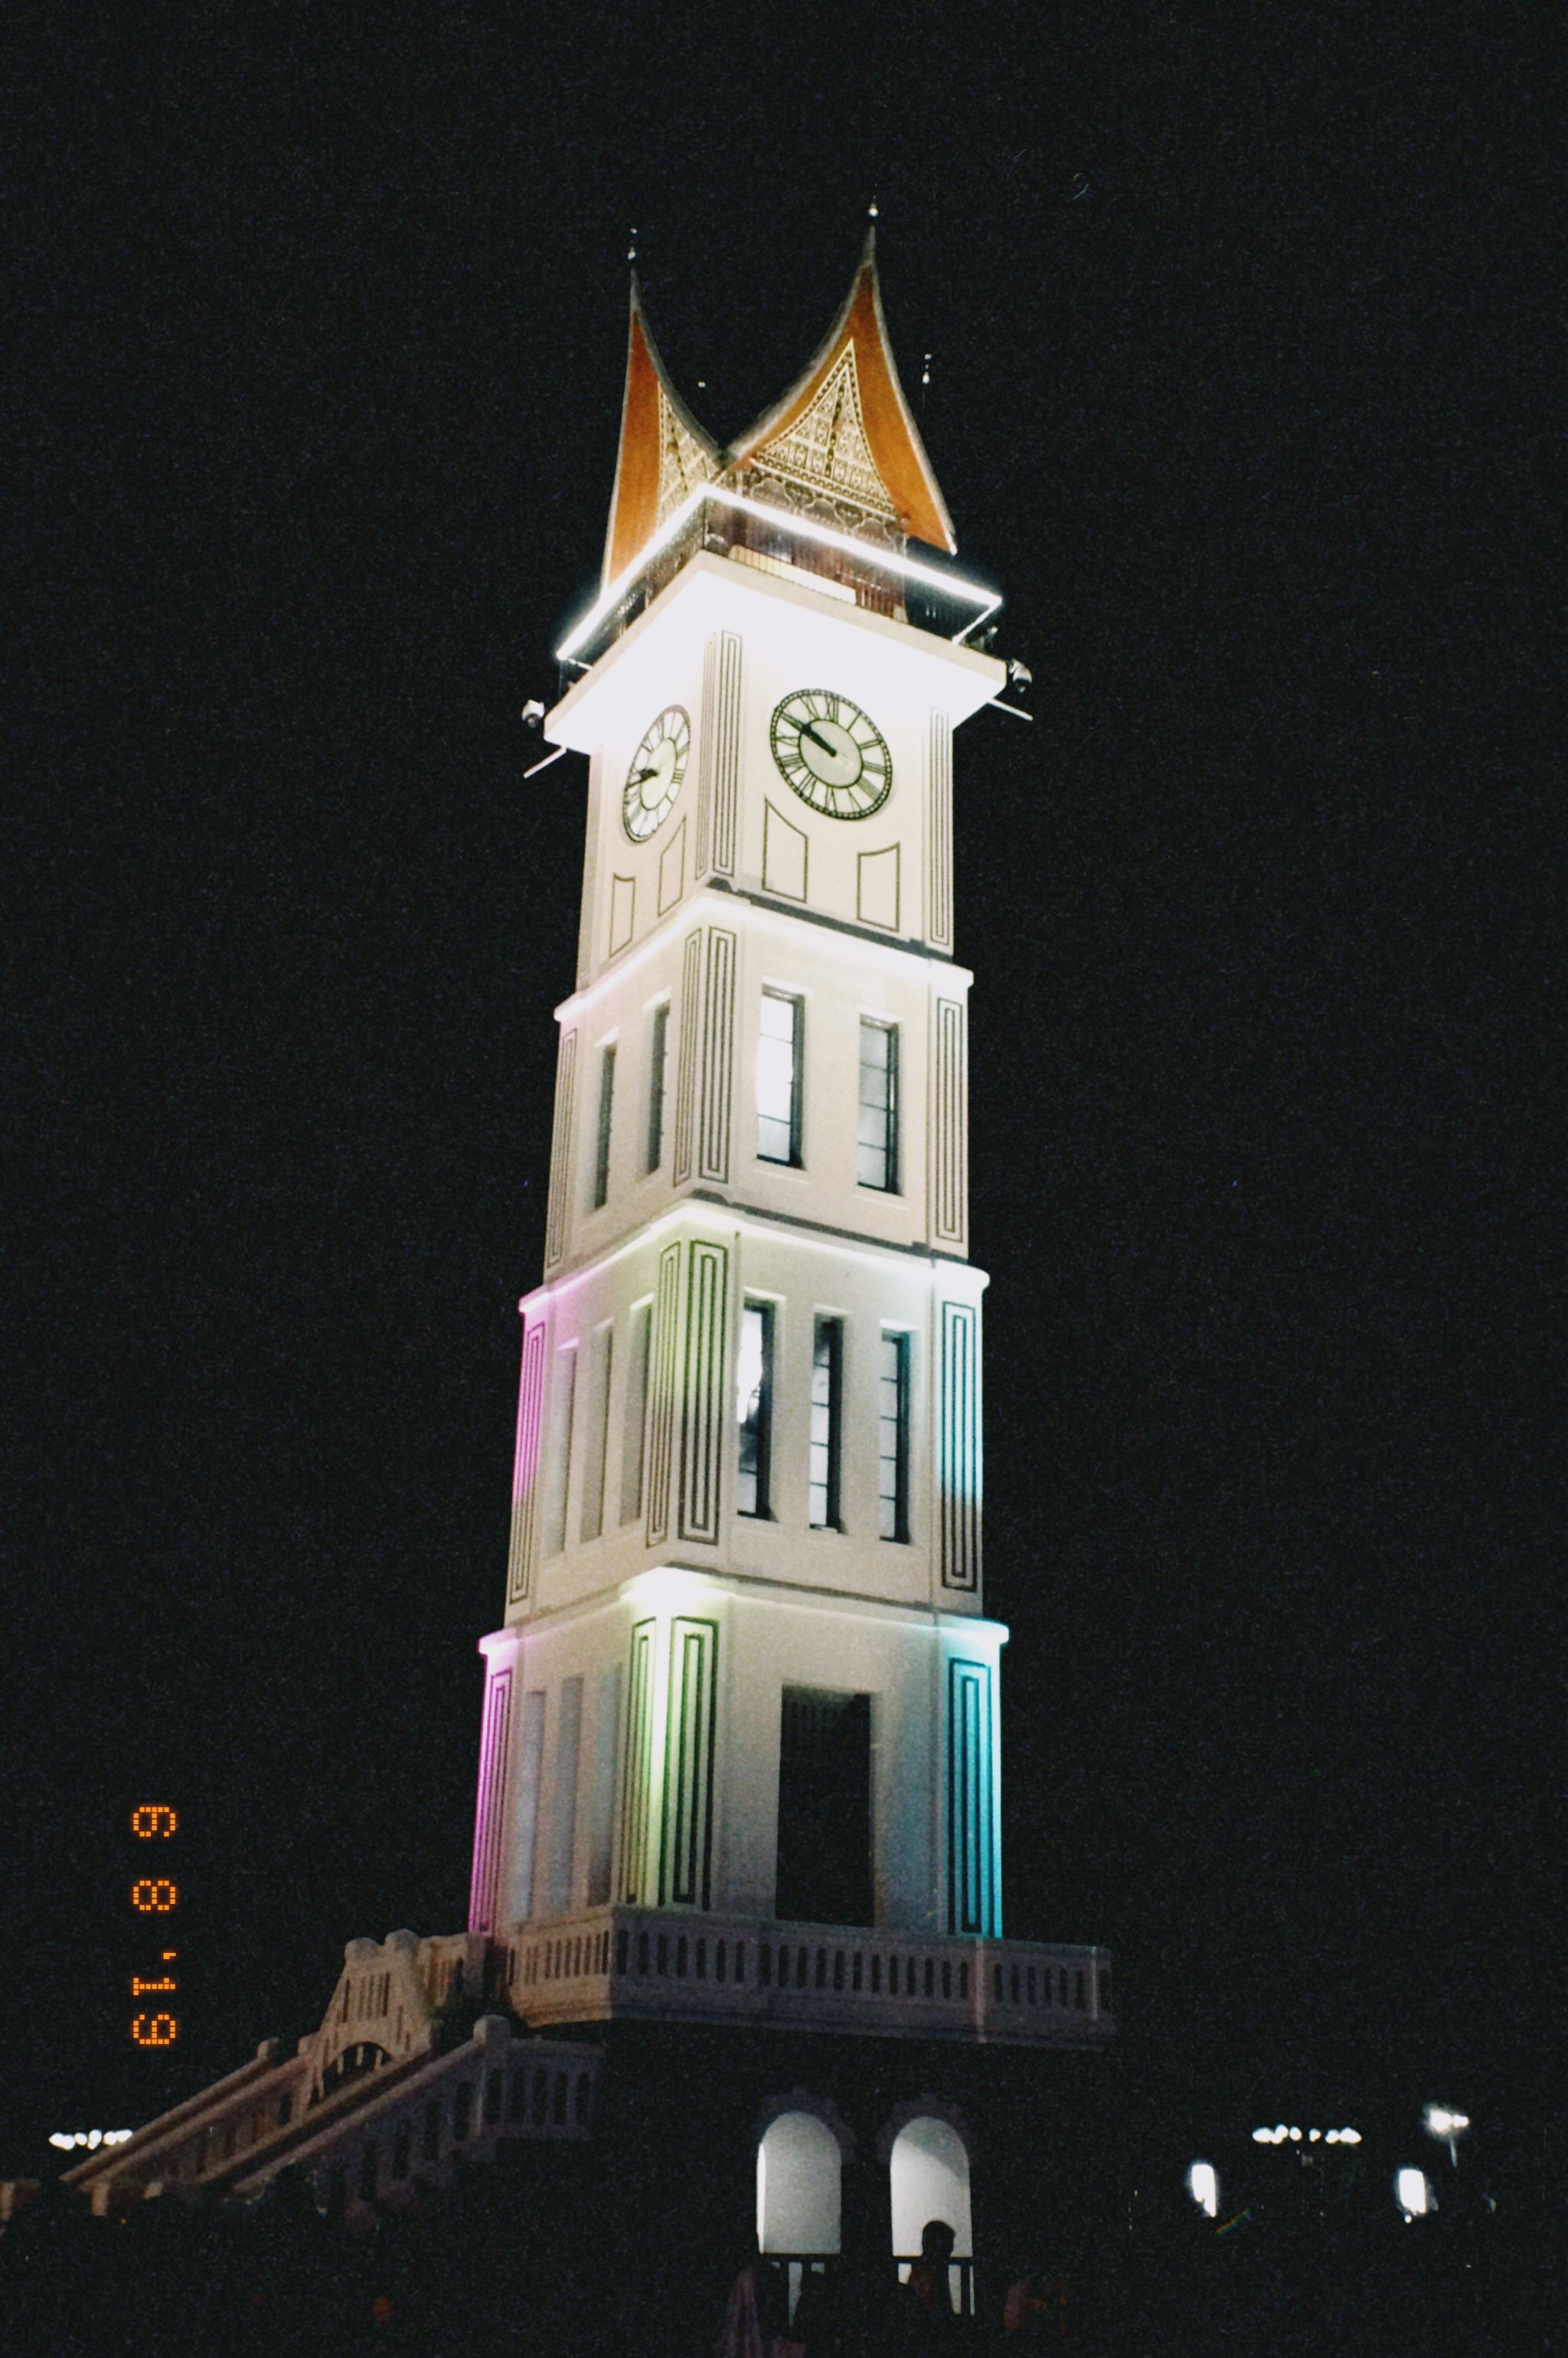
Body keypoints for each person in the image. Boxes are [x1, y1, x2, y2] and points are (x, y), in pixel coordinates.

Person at [897, 2219, 959, 2345]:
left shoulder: (925, 2273)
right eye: (947, 2250)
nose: (949, 2257)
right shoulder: (926, 2278)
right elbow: (936, 2315)